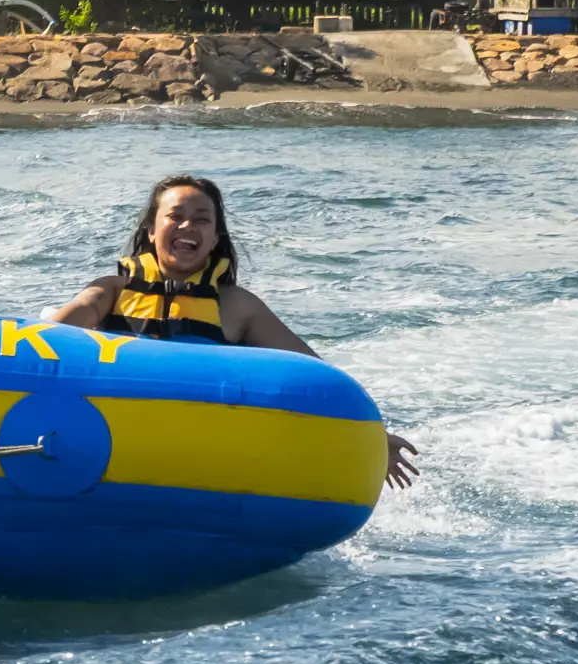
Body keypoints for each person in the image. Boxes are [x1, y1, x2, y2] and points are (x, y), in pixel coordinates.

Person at [51, 172, 419, 485]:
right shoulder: (111, 292)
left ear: (214, 239)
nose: (187, 226)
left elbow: (314, 372)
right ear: (151, 231)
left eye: (201, 219)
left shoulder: (236, 306)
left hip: (201, 454)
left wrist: (371, 436)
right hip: (109, 441)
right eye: (174, 216)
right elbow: (56, 332)